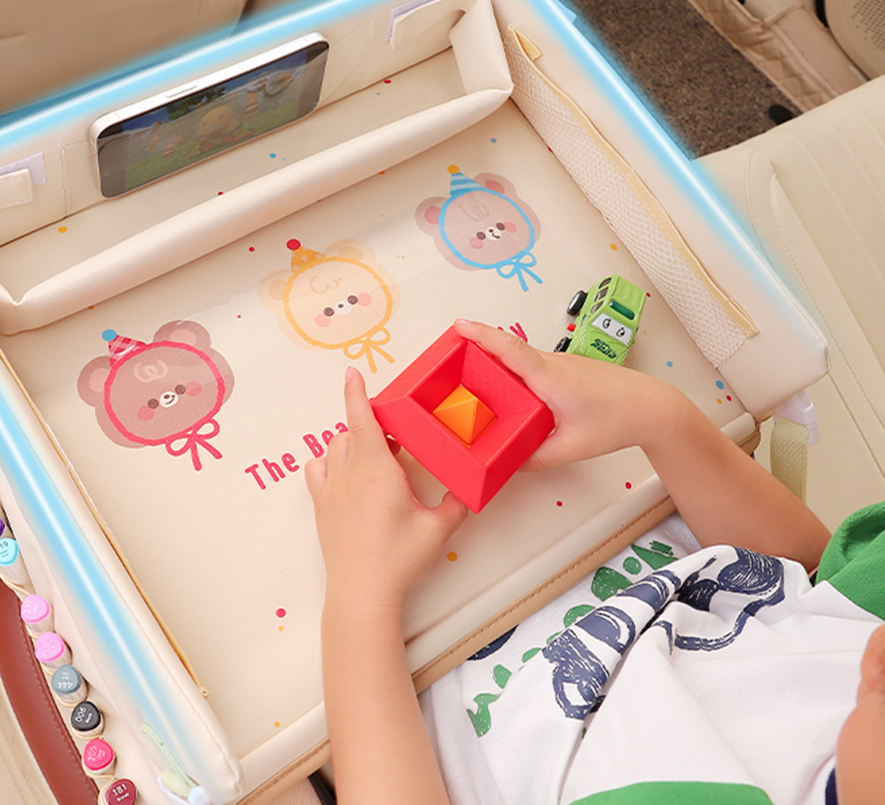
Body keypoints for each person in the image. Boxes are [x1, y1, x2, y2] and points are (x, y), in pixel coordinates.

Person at [305, 320, 885, 805]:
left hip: (385, 664)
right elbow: (803, 578)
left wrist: (361, 596)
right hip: (597, 517)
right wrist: (662, 419)